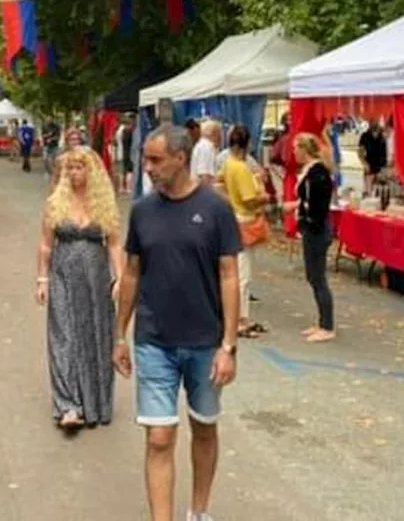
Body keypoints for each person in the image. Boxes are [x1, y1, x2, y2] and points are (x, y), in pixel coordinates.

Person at [114, 125, 240, 521]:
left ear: (181, 158)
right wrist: (120, 334)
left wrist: (229, 346)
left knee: (203, 427)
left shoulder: (216, 209)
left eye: (155, 160)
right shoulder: (143, 211)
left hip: (206, 341)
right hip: (155, 341)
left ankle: (198, 511)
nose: (147, 168)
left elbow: (229, 276)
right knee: (159, 437)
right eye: (145, 159)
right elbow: (132, 272)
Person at [36, 147, 123, 429]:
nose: (75, 173)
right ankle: (68, 405)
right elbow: (46, 244)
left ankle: (94, 403)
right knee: (63, 335)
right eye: (70, 168)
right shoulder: (55, 203)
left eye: (80, 167)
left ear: (92, 170)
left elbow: (113, 244)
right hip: (63, 273)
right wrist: (42, 280)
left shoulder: (104, 203)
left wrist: (120, 277)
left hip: (96, 277)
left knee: (96, 333)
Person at [218, 125, 269, 338]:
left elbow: (218, 183)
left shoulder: (227, 163)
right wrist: (264, 197)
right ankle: (239, 319)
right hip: (246, 220)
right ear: (248, 144)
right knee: (243, 274)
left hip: (234, 218)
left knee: (236, 271)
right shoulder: (241, 167)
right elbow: (249, 199)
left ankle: (240, 317)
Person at [293, 134, 336, 343]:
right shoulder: (310, 173)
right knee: (313, 276)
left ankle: (327, 325)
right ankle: (322, 321)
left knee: (318, 277)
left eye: (296, 148)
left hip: (316, 232)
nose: (294, 153)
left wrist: (308, 223)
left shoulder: (317, 175)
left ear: (305, 150)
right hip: (312, 229)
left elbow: (317, 207)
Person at [357, 119, 388, 195]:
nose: (372, 122)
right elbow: (360, 152)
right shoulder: (364, 136)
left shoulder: (384, 135)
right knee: (368, 193)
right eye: (370, 120)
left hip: (383, 168)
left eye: (374, 119)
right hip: (370, 167)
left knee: (382, 193)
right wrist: (365, 164)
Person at [190, 119, 221, 186]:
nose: (220, 138)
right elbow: (204, 176)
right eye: (219, 133)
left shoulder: (201, 145)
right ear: (213, 133)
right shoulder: (206, 147)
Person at [119, 112, 136, 194]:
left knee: (123, 170)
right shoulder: (131, 132)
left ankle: (121, 187)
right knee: (130, 171)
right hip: (130, 153)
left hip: (123, 152)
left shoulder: (123, 131)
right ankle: (129, 188)